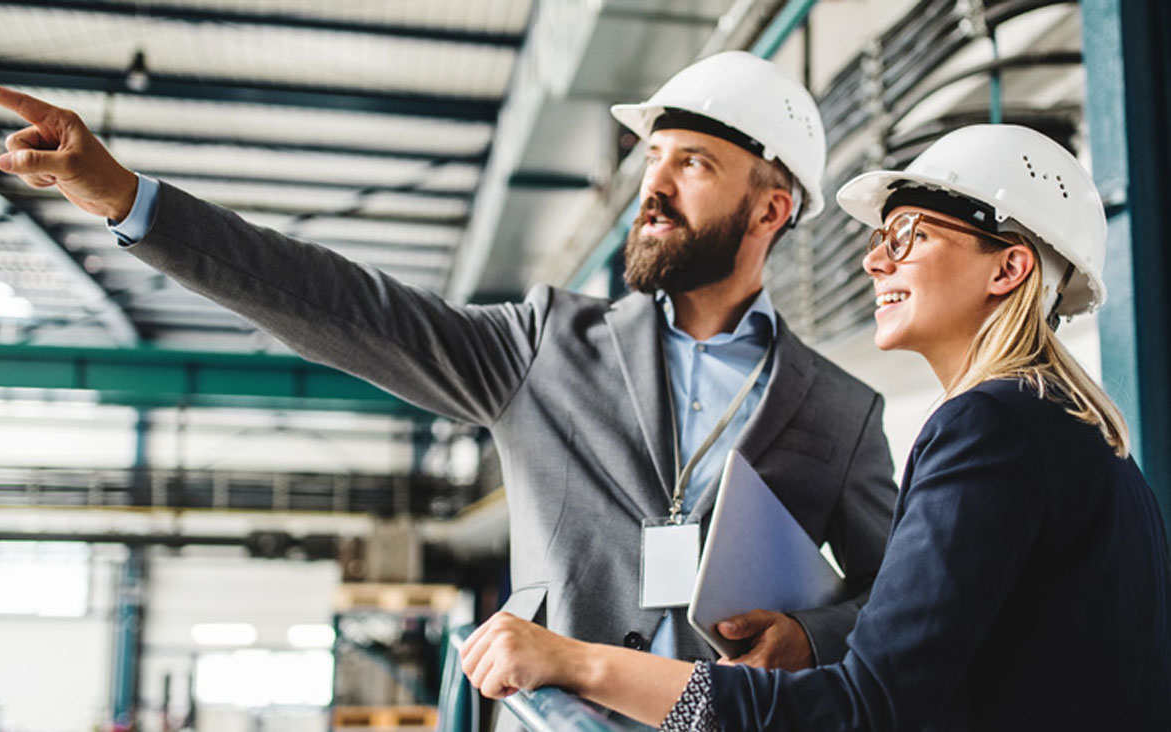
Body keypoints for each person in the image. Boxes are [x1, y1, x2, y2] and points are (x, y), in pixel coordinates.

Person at [0, 51, 896, 679]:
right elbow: (335, 301)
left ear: (771, 209)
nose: (651, 186)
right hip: (557, 716)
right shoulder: (541, 345)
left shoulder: (839, 407)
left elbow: (901, 594)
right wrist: (130, 201)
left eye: (692, 163)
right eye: (652, 157)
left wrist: (814, 636)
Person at [456, 124, 1171, 731]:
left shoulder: (986, 429)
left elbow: (860, 709)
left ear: (1008, 268)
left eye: (909, 234)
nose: (872, 259)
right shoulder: (1095, 447)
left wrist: (579, 662)